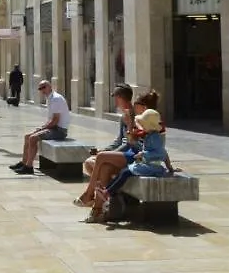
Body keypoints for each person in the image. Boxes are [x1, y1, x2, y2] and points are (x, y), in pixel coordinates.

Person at [81, 90, 159, 220]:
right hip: (131, 155)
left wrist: (129, 126)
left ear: (143, 107)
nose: (134, 106)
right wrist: (107, 151)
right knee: (103, 167)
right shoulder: (136, 118)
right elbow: (123, 141)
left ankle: (90, 195)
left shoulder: (149, 122)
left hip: (138, 158)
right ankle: (98, 210)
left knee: (100, 159)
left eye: (137, 104)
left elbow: (136, 145)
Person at [93, 106, 174, 221]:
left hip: (152, 167)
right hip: (147, 165)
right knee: (124, 172)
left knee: (126, 172)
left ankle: (107, 192)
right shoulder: (150, 135)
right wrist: (169, 167)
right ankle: (107, 191)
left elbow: (161, 153)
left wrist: (143, 154)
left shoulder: (155, 137)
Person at [74, 84, 134, 206]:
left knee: (101, 164)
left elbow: (131, 143)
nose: (115, 102)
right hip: (118, 153)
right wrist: (105, 150)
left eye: (116, 98)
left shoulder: (133, 116)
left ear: (122, 98)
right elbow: (119, 140)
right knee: (89, 162)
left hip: (128, 154)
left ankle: (92, 195)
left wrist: (111, 153)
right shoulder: (123, 116)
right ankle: (109, 196)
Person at [9, 80, 70, 175]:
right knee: (27, 136)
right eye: (40, 88)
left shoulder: (56, 99)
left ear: (50, 87)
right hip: (53, 128)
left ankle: (29, 167)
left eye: (44, 87)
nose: (42, 90)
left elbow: (55, 120)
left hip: (60, 131)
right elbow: (51, 120)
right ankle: (23, 163)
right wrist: (43, 127)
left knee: (33, 138)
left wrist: (42, 129)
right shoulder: (50, 98)